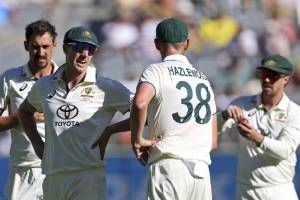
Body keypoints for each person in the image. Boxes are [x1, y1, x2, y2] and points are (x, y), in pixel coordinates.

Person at [17, 26, 132, 200]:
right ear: (65, 48)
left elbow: (145, 111)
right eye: (78, 47)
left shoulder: (107, 87)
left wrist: (110, 130)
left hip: (88, 178)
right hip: (52, 177)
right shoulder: (44, 85)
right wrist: (37, 144)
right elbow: (24, 111)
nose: (85, 54)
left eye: (91, 49)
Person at [130, 18, 218, 200]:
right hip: (201, 173)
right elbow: (213, 143)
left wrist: (137, 138)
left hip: (169, 167)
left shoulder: (156, 71)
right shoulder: (203, 80)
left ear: (156, 44)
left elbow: (140, 103)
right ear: (187, 44)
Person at [218, 54, 300, 200]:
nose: (267, 80)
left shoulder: (294, 112)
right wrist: (224, 115)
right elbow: (213, 129)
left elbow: (285, 150)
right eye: (263, 74)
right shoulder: (242, 104)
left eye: (273, 75)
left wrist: (257, 138)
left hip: (279, 191)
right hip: (246, 191)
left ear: (286, 79)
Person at [0, 19, 58, 200]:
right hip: (23, 169)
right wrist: (21, 117)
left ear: (54, 46)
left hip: (60, 168)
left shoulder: (65, 79)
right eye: (35, 47)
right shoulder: (10, 78)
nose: (40, 52)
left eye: (45, 46)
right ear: (26, 46)